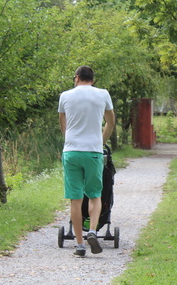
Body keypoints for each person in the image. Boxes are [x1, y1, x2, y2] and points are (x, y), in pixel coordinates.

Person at [58, 66, 116, 257]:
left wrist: (70, 140)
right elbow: (111, 122)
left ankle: (80, 245)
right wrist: (102, 141)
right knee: (94, 195)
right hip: (93, 151)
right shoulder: (103, 94)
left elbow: (62, 123)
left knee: (75, 198)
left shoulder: (65, 96)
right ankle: (92, 230)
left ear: (76, 78)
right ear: (93, 79)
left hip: (72, 151)